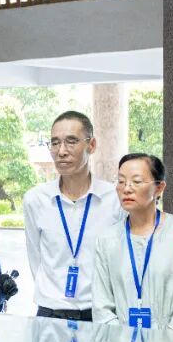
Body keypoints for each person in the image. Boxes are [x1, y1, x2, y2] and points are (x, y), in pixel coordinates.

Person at [23, 111, 123, 322]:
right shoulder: (36, 199)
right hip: (50, 314)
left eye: (71, 141)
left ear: (91, 145)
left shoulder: (114, 199)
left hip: (99, 315)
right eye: (55, 143)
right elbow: (35, 257)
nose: (61, 151)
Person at [92, 153, 173, 333]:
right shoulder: (107, 239)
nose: (126, 188)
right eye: (121, 181)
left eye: (136, 181)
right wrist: (124, 341)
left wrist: (163, 341)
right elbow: (102, 307)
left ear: (159, 188)